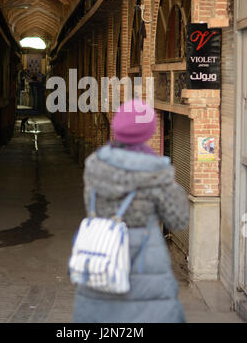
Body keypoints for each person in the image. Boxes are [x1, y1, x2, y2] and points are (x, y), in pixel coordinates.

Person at [72, 99, 189, 323]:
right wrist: (171, 184)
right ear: (148, 131)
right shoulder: (156, 172)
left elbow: (91, 205)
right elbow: (178, 220)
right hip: (145, 267)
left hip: (100, 258)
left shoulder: (94, 165)